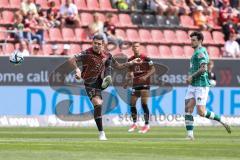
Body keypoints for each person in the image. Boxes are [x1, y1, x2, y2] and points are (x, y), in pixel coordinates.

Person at [68, 35, 141, 140]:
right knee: (98, 103)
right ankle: (101, 132)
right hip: (90, 83)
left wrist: (131, 63)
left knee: (108, 64)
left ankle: (107, 77)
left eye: (99, 44)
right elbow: (71, 60)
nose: (96, 46)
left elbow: (119, 67)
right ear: (92, 43)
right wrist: (77, 70)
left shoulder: (107, 55)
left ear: (103, 45)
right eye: (95, 43)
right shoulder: (87, 53)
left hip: (100, 81)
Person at [185, 31, 231, 140]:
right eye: (191, 40)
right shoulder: (196, 52)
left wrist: (192, 76)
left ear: (200, 41)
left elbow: (203, 68)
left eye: (194, 40)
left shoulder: (200, 52)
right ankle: (190, 135)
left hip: (201, 84)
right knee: (188, 108)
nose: (191, 42)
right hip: (193, 84)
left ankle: (222, 120)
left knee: (201, 112)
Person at [124, 42, 155, 134]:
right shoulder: (130, 59)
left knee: (144, 104)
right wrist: (127, 82)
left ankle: (147, 125)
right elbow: (130, 72)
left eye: (137, 46)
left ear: (139, 48)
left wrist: (146, 76)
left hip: (145, 83)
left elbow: (153, 69)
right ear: (132, 48)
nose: (135, 48)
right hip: (135, 83)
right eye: (134, 47)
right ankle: (135, 123)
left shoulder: (146, 58)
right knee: (132, 104)